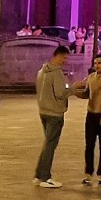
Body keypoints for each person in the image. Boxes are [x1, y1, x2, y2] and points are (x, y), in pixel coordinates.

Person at [74, 53, 101, 185]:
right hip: (91, 115)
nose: (97, 65)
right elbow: (87, 94)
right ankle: (88, 172)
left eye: (99, 63)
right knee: (89, 145)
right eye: (95, 63)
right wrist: (74, 91)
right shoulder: (91, 77)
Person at [33, 45, 70, 188]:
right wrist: (73, 88)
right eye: (64, 58)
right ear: (58, 56)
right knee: (50, 145)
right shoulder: (56, 73)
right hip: (55, 113)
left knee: (47, 144)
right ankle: (45, 177)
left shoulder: (42, 71)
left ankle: (39, 174)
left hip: (43, 111)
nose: (65, 61)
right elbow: (61, 92)